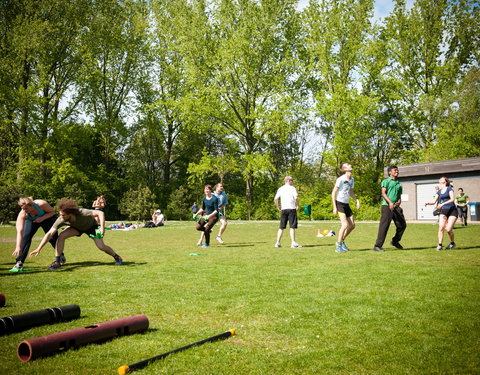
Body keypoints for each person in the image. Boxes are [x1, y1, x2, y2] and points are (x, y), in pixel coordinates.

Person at [29, 199, 123, 270]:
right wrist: (39, 248)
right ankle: (57, 262)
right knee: (61, 236)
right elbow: (50, 233)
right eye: (60, 215)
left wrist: (102, 227)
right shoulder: (61, 220)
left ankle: (117, 257)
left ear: (70, 213)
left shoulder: (82, 212)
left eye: (63, 215)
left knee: (101, 246)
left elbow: (100, 213)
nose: (61, 217)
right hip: (77, 228)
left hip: (92, 227)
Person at [10, 197, 64, 272]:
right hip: (32, 221)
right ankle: (19, 262)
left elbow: (52, 212)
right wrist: (18, 247)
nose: (25, 211)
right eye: (23, 208)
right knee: (26, 237)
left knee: (52, 238)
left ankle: (60, 255)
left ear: (31, 205)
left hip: (47, 218)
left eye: (26, 208)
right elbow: (20, 232)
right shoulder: (23, 214)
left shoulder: (41, 204)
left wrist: (42, 218)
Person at [373, 166, 407, 252]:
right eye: (395, 170)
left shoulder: (399, 184)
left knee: (402, 225)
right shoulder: (386, 181)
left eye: (397, 170)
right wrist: (390, 202)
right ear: (389, 172)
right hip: (386, 206)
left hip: (396, 207)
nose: (397, 171)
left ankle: (395, 241)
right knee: (384, 227)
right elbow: (383, 193)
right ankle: (377, 246)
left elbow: (399, 195)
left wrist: (399, 201)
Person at [331, 163, 360, 253]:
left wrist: (357, 200)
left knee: (352, 225)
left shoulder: (352, 179)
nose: (350, 165)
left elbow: (351, 191)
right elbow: (333, 193)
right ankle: (338, 246)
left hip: (346, 204)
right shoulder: (341, 179)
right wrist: (334, 207)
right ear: (344, 169)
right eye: (348, 165)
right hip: (339, 203)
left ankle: (342, 240)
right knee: (344, 225)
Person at [425, 177, 458, 250]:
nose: (440, 180)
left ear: (445, 181)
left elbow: (452, 199)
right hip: (444, 211)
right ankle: (439, 245)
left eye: (441, 179)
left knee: (449, 229)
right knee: (441, 228)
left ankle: (452, 243)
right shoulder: (439, 191)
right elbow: (434, 201)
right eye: (439, 180)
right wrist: (428, 203)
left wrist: (442, 204)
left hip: (452, 210)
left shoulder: (449, 189)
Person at [274, 176, 302, 248]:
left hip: (284, 209)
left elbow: (275, 199)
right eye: (291, 180)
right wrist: (297, 205)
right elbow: (296, 198)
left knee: (281, 227)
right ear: (288, 181)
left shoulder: (280, 188)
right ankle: (293, 243)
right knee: (292, 226)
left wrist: (277, 206)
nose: (292, 181)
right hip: (291, 209)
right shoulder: (292, 188)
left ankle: (277, 243)